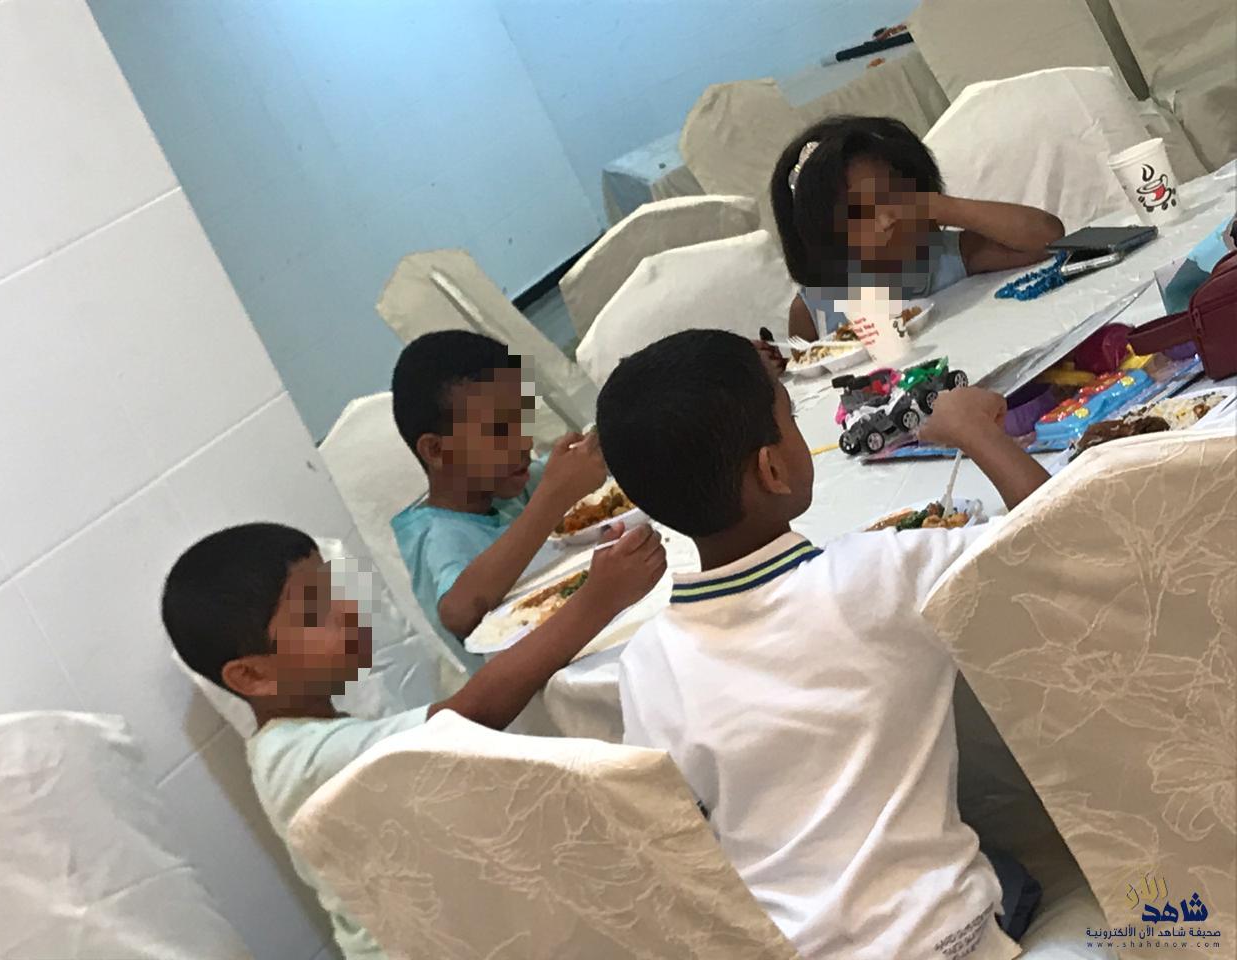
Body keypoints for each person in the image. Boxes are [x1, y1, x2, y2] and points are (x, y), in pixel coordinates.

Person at [596, 330, 1051, 960]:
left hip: (799, 948)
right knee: (1021, 860)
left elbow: (682, 832)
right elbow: (1052, 539)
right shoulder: (877, 574)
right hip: (943, 939)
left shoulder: (646, 664)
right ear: (773, 469)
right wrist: (974, 431)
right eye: (788, 416)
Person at [161, 520, 666, 960]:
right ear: (252, 675)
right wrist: (597, 601)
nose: (347, 612)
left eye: (334, 592)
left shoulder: (307, 734)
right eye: (315, 613)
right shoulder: (297, 760)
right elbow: (472, 715)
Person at [390, 330, 609, 668]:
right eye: (499, 431)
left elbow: (581, 469)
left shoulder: (508, 485)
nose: (523, 442)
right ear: (436, 450)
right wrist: (552, 499)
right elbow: (459, 612)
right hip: (545, 691)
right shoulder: (439, 536)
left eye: (521, 420)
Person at [771, 115, 1065, 340]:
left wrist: (939, 207)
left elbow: (1049, 238)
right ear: (821, 233)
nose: (886, 219)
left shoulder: (942, 256)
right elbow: (808, 383)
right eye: (857, 213)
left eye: (893, 196)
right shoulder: (814, 309)